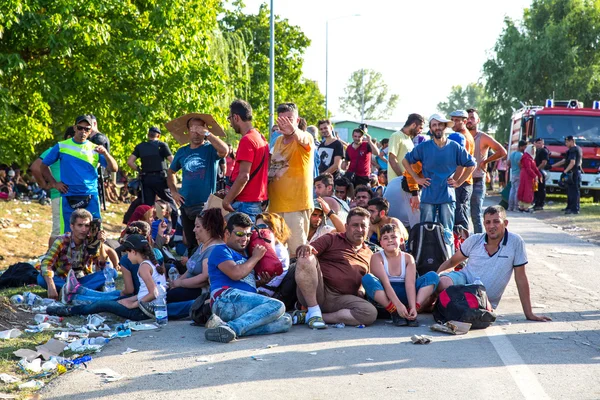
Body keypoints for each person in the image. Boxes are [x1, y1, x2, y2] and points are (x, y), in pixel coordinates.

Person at [437, 205, 552, 322]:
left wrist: (529, 314)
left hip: (481, 298)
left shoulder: (515, 242)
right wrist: (436, 279)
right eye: (487, 222)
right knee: (442, 282)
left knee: (466, 312)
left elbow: (521, 277)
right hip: (462, 283)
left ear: (505, 223)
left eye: (496, 221)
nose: (491, 226)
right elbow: (452, 262)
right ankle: (424, 305)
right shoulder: (475, 240)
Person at [204, 212, 292, 343]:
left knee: (285, 321)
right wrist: (256, 257)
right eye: (239, 234)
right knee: (277, 305)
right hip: (225, 299)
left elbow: (243, 280)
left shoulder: (246, 257)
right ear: (227, 234)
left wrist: (260, 283)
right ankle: (231, 327)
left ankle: (223, 328)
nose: (244, 238)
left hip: (242, 304)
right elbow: (235, 273)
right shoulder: (221, 250)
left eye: (248, 234)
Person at [402, 114, 476, 252]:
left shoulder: (454, 147)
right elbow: (406, 161)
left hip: (447, 196)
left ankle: (448, 262)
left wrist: (459, 182)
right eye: (434, 125)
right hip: (428, 196)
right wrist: (417, 179)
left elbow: (471, 163)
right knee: (427, 230)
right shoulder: (424, 147)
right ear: (431, 129)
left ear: (444, 126)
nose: (437, 128)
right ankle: (427, 262)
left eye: (439, 125)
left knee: (447, 232)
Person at [294, 208, 377, 328]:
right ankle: (313, 308)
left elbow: (368, 279)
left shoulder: (370, 253)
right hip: (317, 291)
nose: (359, 230)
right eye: (355, 225)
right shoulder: (331, 238)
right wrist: (307, 248)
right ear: (346, 226)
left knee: (370, 313)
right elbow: (308, 249)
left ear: (368, 228)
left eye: (363, 226)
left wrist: (362, 290)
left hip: (341, 299)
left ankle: (312, 316)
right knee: (305, 257)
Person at [40, 115, 118, 233]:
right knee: (68, 234)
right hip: (68, 196)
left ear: (91, 131)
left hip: (90, 196)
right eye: (80, 128)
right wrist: (55, 184)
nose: (83, 131)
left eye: (87, 129)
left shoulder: (95, 149)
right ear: (75, 128)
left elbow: (114, 168)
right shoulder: (62, 146)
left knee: (95, 232)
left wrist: (106, 154)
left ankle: (93, 252)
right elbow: (43, 166)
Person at [168, 116, 228, 254]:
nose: (196, 133)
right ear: (188, 131)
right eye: (193, 129)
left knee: (206, 243)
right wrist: (173, 191)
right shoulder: (182, 151)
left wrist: (207, 133)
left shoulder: (210, 149)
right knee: (191, 244)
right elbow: (170, 171)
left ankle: (205, 272)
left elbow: (224, 150)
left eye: (199, 129)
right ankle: (192, 271)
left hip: (204, 205)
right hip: (185, 204)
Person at [362, 224, 439, 326]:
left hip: (405, 294)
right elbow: (386, 284)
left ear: (402, 240)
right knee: (367, 279)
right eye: (385, 238)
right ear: (381, 243)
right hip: (386, 295)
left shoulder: (408, 258)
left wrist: (413, 306)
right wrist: (397, 305)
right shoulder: (377, 257)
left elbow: (410, 285)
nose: (390, 240)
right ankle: (394, 312)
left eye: (393, 237)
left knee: (433, 276)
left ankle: (412, 310)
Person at [268, 103, 315, 257]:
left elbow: (303, 139)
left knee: (297, 254)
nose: (285, 123)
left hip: (296, 206)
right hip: (275, 205)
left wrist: (294, 131)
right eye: (281, 120)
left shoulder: (305, 136)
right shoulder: (278, 141)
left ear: (297, 120)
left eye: (289, 119)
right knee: (276, 254)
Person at [36, 209, 109, 300]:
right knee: (41, 278)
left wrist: (100, 243)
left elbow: (102, 265)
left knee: (112, 273)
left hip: (82, 279)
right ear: (72, 226)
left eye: (87, 226)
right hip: (63, 279)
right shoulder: (61, 241)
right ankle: (81, 292)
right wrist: (51, 286)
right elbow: (46, 263)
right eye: (80, 225)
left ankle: (73, 292)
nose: (83, 229)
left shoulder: (91, 241)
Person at [222, 100, 269, 221]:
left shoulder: (247, 140)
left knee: (238, 239)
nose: (231, 124)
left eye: (230, 119)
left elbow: (244, 176)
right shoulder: (261, 138)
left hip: (245, 204)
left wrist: (227, 201)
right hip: (256, 202)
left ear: (236, 117)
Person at [168, 208, 224, 303]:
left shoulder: (214, 249)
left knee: (168, 297)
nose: (194, 230)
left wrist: (180, 283)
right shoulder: (203, 244)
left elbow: (204, 278)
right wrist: (175, 283)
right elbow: (190, 270)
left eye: (197, 227)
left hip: (202, 292)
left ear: (208, 228)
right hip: (189, 286)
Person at [31, 127, 75, 246]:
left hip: (74, 196)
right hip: (61, 196)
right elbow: (35, 167)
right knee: (58, 232)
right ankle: (50, 262)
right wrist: (46, 184)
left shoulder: (76, 152)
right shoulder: (56, 149)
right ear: (69, 137)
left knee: (69, 231)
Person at [466, 108, 507, 233]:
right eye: (467, 118)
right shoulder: (461, 137)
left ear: (478, 120)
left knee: (476, 214)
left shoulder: (482, 137)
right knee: (460, 214)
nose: (469, 120)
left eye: (472, 118)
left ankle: (479, 243)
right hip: (461, 182)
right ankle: (462, 244)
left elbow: (502, 151)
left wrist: (485, 162)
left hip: (477, 180)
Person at [127, 127, 178, 221]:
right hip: (160, 179)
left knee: (148, 207)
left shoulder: (140, 146)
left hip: (146, 179)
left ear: (148, 135)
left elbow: (130, 162)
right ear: (158, 135)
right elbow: (173, 161)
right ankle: (174, 227)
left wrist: (139, 169)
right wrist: (171, 174)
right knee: (169, 203)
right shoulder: (162, 145)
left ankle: (149, 229)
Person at [254, 212, 292, 297]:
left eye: (262, 227)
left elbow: (262, 278)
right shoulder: (266, 245)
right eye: (256, 227)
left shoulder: (278, 250)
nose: (257, 230)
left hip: (263, 292)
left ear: (274, 229)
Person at [450, 110, 475, 232]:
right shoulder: (461, 135)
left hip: (462, 182)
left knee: (460, 217)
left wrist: (455, 182)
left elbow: (462, 164)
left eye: (456, 120)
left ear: (464, 121)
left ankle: (465, 247)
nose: (453, 123)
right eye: (452, 119)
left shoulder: (464, 138)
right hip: (462, 181)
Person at [387, 113, 425, 182]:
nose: (421, 131)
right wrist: (402, 178)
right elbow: (392, 159)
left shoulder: (409, 139)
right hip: (397, 183)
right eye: (420, 128)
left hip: (407, 184)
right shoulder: (396, 135)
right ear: (413, 125)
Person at [553, 135, 583, 214]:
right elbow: (564, 161)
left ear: (572, 141)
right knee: (570, 191)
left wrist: (565, 171)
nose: (566, 144)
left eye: (567, 142)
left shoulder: (573, 150)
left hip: (574, 173)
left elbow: (572, 163)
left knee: (574, 191)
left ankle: (574, 209)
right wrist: (552, 166)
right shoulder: (575, 149)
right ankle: (569, 207)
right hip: (573, 173)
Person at [517, 145, 542, 212]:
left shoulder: (530, 158)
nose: (533, 152)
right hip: (526, 176)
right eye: (532, 150)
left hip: (528, 175)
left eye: (534, 151)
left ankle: (523, 206)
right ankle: (524, 207)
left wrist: (539, 175)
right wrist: (535, 175)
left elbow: (534, 168)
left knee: (526, 189)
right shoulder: (526, 157)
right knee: (527, 190)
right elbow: (528, 168)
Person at [507, 140, 527, 212]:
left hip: (513, 174)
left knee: (512, 190)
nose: (525, 148)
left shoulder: (512, 154)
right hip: (519, 174)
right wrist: (522, 168)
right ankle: (516, 207)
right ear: (521, 146)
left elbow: (508, 163)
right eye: (524, 146)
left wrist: (513, 167)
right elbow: (520, 164)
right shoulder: (521, 155)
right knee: (517, 191)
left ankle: (510, 206)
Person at [533, 138, 550, 210]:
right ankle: (536, 203)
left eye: (541, 143)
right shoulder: (536, 151)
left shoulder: (544, 151)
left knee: (541, 188)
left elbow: (544, 162)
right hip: (536, 171)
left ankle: (540, 204)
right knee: (536, 188)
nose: (539, 144)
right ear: (535, 143)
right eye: (538, 143)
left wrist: (537, 169)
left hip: (541, 171)